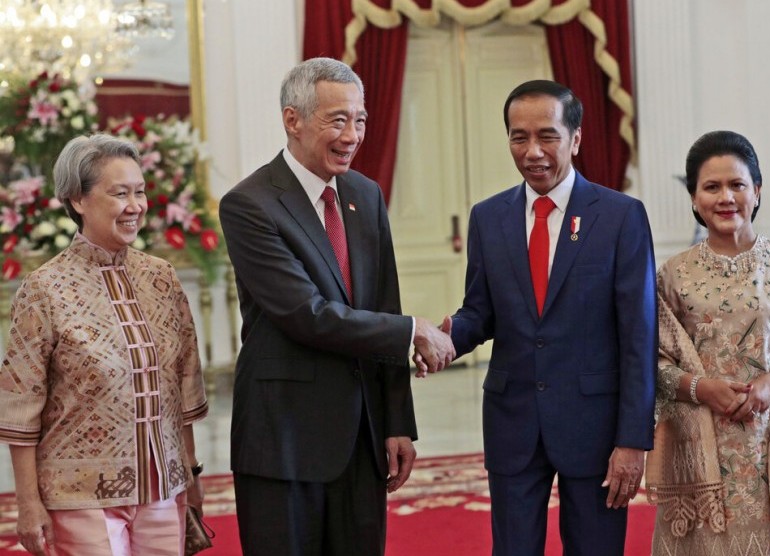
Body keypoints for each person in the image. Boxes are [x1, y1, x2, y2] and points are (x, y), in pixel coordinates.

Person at [218, 57, 454, 556]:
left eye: (361, 119)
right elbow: (306, 314)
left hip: (361, 439)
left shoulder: (365, 195)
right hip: (283, 439)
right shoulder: (250, 205)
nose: (353, 134)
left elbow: (383, 302)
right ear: (293, 120)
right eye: (338, 120)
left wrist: (396, 422)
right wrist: (413, 332)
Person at [428, 79, 658, 555]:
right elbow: (480, 311)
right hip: (513, 421)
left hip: (594, 426)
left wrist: (633, 440)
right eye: (519, 136)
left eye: (547, 136)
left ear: (575, 139)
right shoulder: (488, 217)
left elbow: (639, 336)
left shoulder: (620, 217)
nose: (532, 151)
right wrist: (447, 335)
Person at [0, 133, 208, 555]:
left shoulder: (161, 278)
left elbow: (183, 385)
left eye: (140, 192)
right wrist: (27, 503)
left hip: (164, 487)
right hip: (79, 493)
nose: (135, 206)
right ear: (78, 199)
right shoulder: (44, 289)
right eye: (119, 194)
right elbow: (21, 406)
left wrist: (191, 477)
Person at [646, 130, 770, 556]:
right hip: (701, 440)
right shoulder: (672, 276)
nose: (725, 197)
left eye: (737, 185)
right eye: (711, 187)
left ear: (757, 191)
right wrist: (700, 388)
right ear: (694, 198)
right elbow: (652, 359)